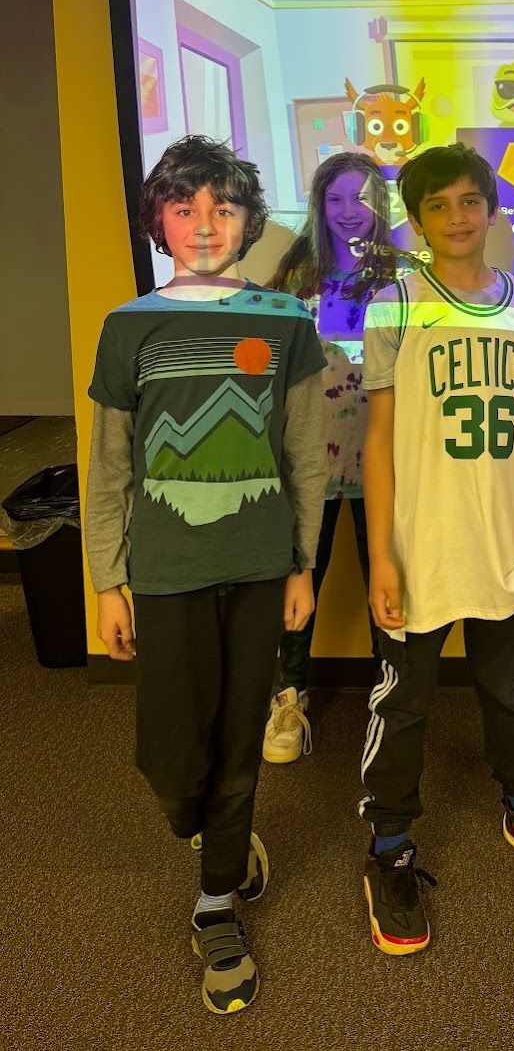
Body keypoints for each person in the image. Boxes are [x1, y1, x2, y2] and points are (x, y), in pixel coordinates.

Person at [84, 135, 327, 1015]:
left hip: (260, 564)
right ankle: (212, 832)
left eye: (223, 207)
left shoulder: (284, 321)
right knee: (171, 753)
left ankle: (217, 898)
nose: (204, 224)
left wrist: (303, 562)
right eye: (183, 207)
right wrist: (107, 579)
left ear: (249, 221)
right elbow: (109, 462)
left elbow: (305, 453)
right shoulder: (129, 324)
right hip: (167, 567)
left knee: (237, 741)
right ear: (158, 220)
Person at [358, 143, 514, 957]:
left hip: (507, 538)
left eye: (470, 201)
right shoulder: (397, 300)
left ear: (492, 210)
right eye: (438, 206)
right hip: (422, 542)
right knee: (405, 701)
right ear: (417, 221)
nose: (458, 217)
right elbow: (381, 438)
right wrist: (381, 556)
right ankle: (389, 846)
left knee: (508, 685)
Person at [261, 152, 404, 764]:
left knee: (387, 579)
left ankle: (390, 696)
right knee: (300, 583)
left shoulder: (402, 277)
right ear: (320, 206)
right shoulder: (296, 276)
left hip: (385, 463)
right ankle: (287, 700)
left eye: (363, 198)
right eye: (337, 199)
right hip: (310, 464)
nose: (350, 212)